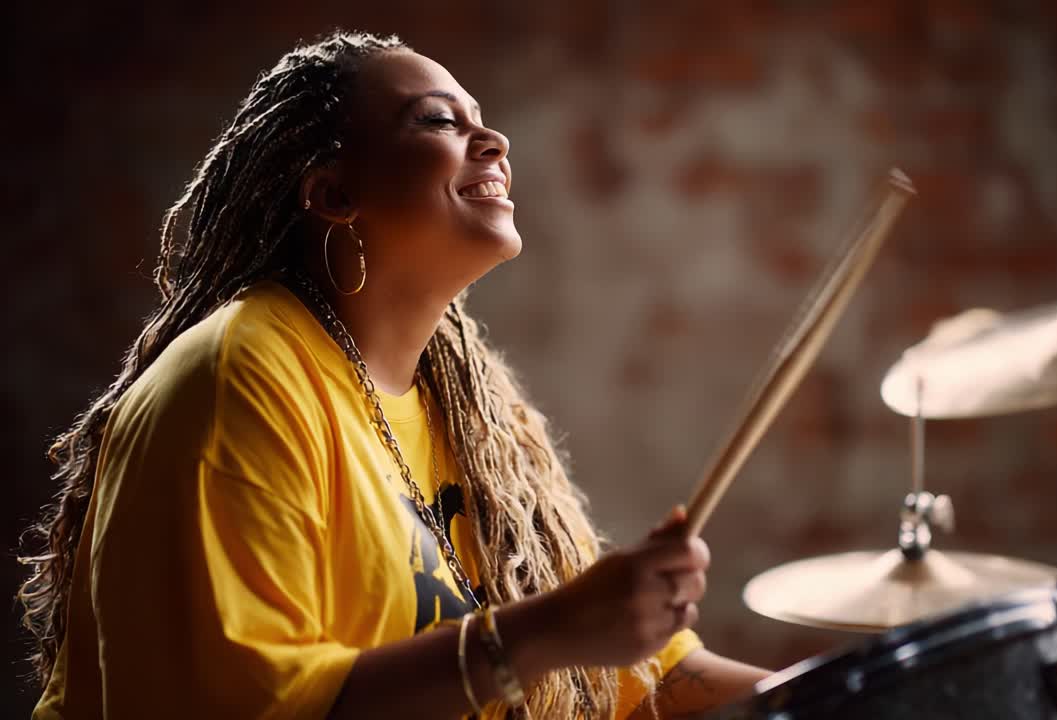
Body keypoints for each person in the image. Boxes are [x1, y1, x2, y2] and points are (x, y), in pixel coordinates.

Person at [19, 30, 770, 719]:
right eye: (440, 121)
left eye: (480, 118)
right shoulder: (238, 378)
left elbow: (639, 681)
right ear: (335, 194)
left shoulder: (477, 411)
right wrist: (545, 634)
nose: (494, 140)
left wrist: (846, 690)